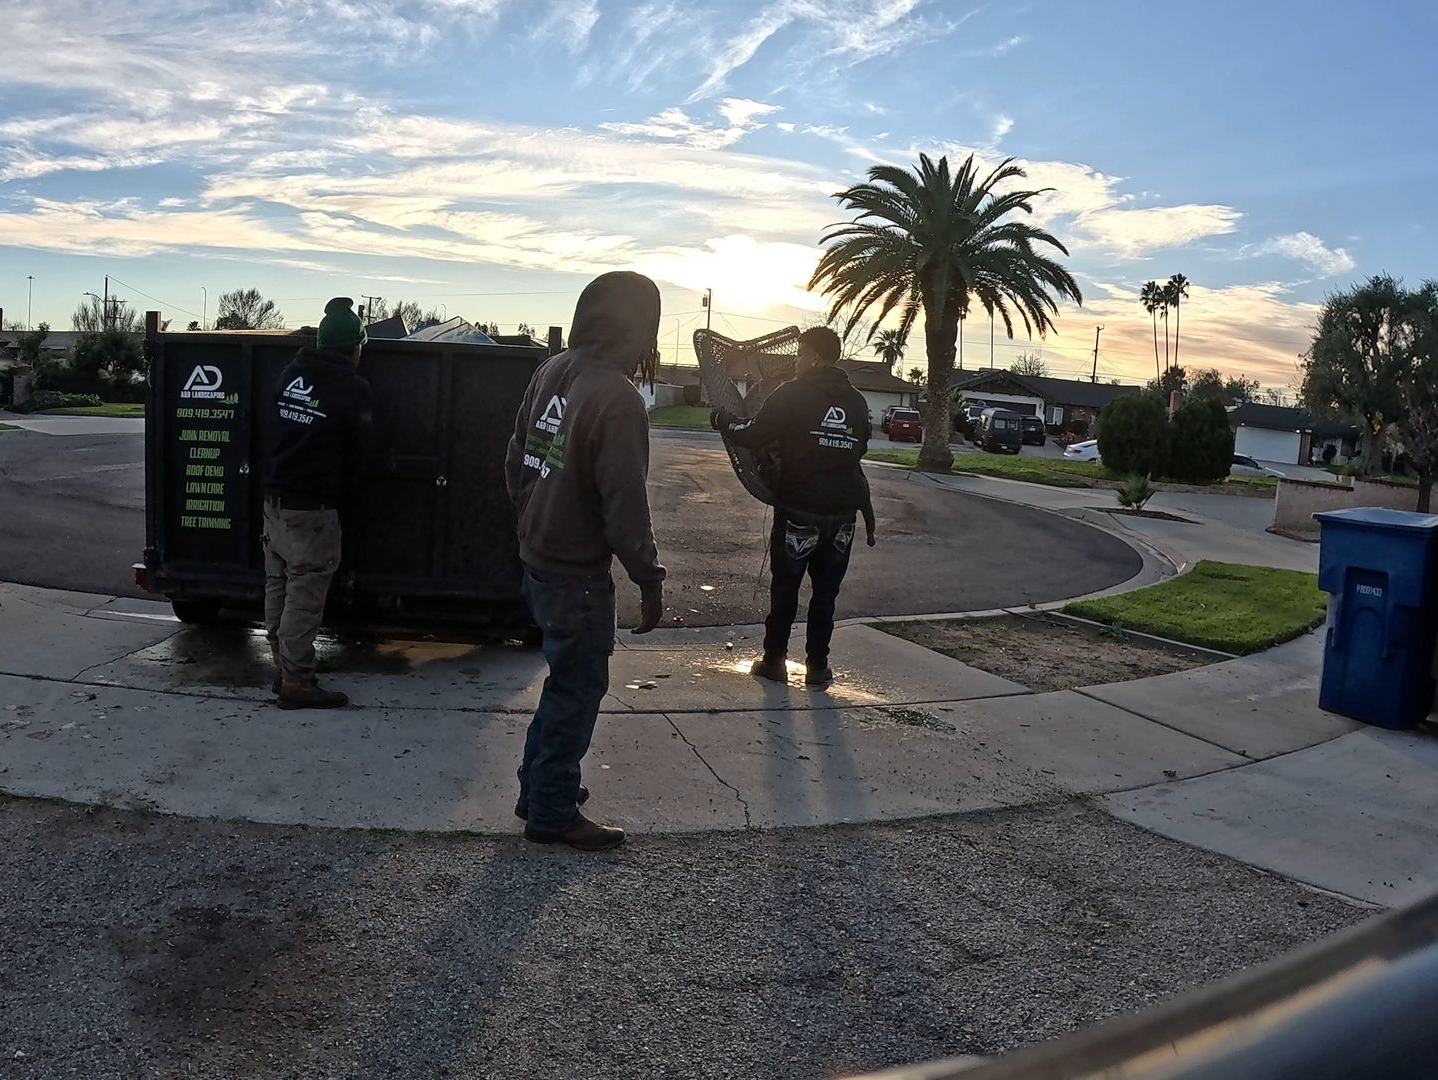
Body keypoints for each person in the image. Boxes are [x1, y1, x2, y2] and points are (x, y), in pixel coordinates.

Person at [505, 271, 666, 852]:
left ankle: (539, 787)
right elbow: (624, 504)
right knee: (578, 687)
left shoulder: (553, 370)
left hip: (538, 558)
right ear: (636, 326)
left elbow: (517, 454)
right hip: (576, 575)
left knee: (562, 681)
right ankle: (551, 812)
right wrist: (649, 577)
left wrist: (531, 517)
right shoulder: (617, 397)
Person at [712, 326, 875, 689]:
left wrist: (721, 420)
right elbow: (859, 451)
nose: (797, 361)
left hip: (801, 509)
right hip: (842, 516)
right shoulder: (857, 402)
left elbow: (752, 432)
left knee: (785, 588)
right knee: (826, 593)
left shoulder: (794, 393)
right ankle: (818, 666)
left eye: (800, 354)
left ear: (815, 357)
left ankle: (774, 661)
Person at [262, 297, 373, 709]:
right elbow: (360, 452)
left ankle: (282, 664)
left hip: (275, 500)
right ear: (355, 348)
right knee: (306, 592)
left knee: (280, 582)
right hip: (311, 508)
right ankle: (297, 679)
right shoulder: (352, 388)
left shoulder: (292, 373)